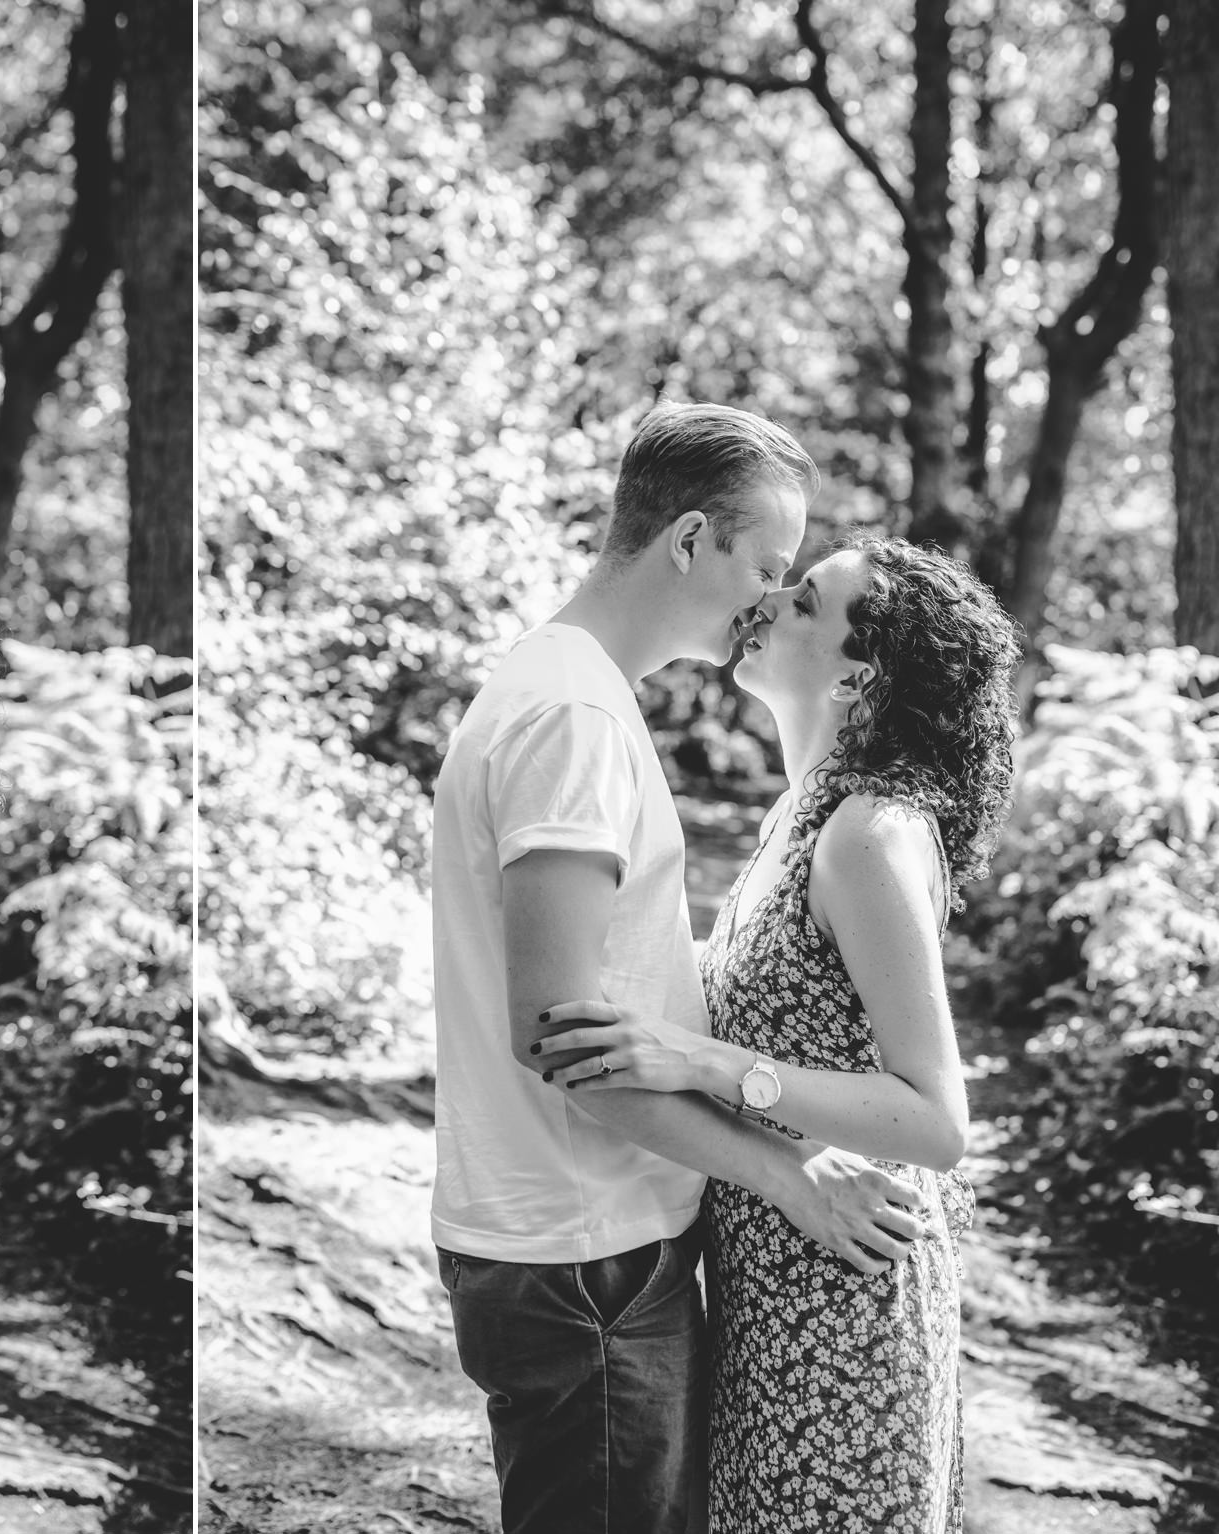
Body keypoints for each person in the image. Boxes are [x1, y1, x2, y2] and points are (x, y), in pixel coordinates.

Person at [430, 403, 937, 1534]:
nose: (766, 595)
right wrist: (788, 1177)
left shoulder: (577, 691)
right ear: (690, 540)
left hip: (591, 1247)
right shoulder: (569, 715)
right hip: (583, 1260)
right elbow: (567, 1040)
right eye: (766, 563)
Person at [541, 538, 1022, 1532]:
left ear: (855, 675)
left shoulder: (868, 833)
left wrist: (703, 1061)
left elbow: (935, 1121)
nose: (768, 597)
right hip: (771, 1293)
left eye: (803, 598)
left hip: (841, 1311)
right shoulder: (800, 814)